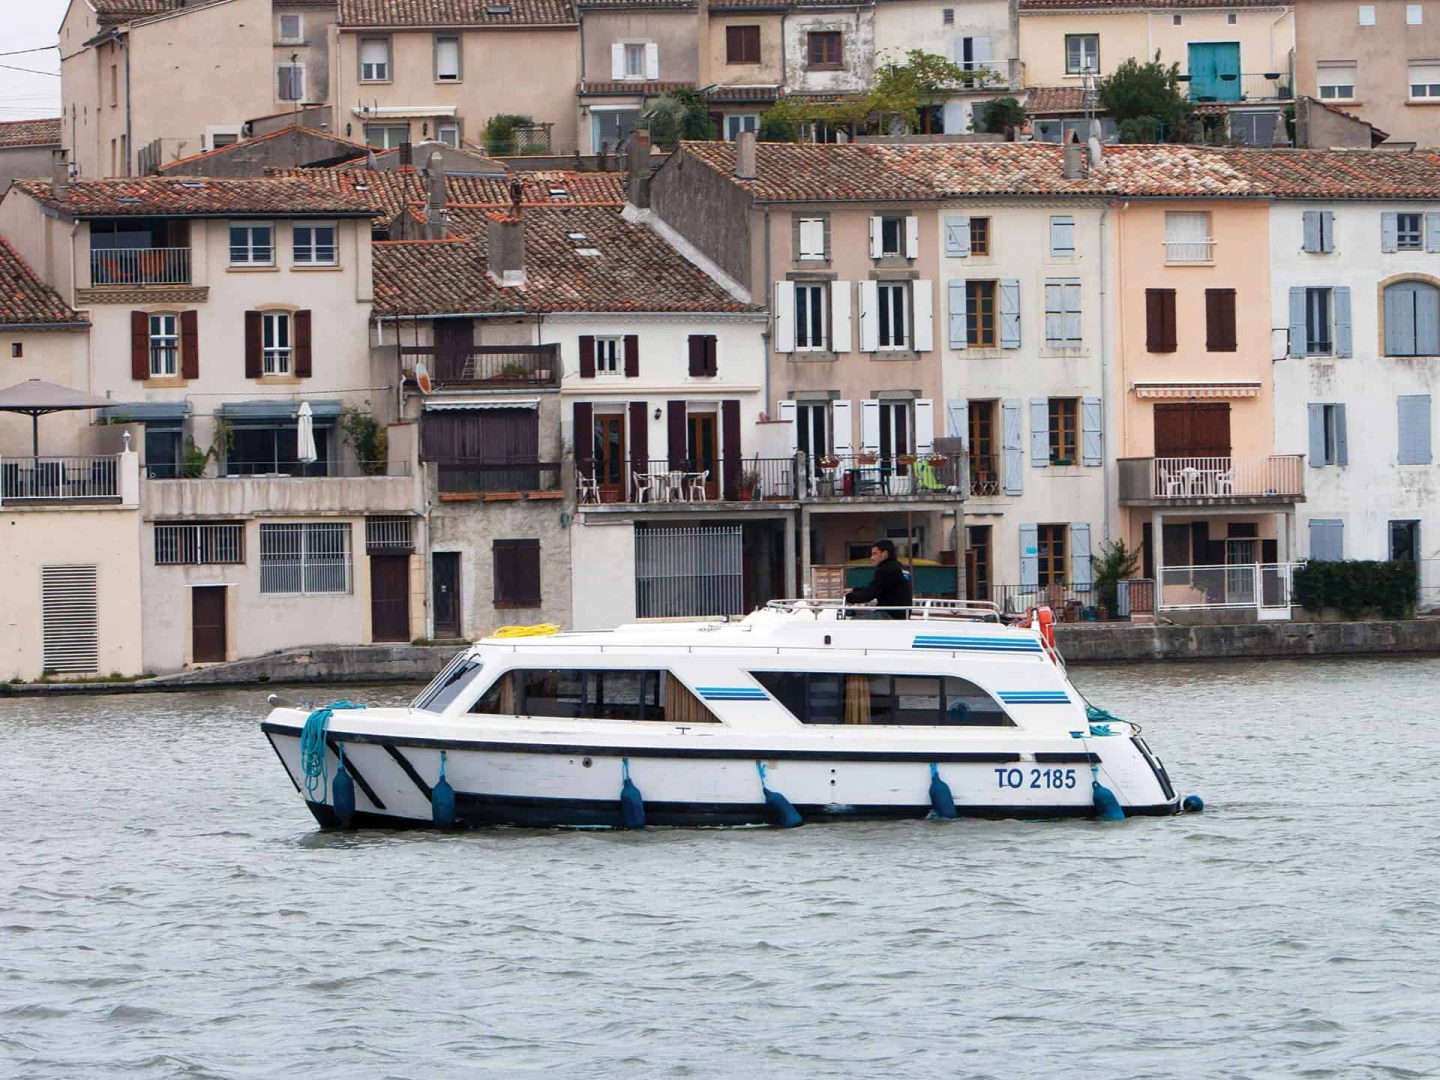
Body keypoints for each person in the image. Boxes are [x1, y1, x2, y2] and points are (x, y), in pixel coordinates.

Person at [844, 539, 913, 619]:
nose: (871, 558)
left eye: (875, 554)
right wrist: (854, 590)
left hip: (890, 614)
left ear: (884, 554)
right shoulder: (900, 567)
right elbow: (876, 588)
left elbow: (870, 594)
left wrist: (849, 597)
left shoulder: (885, 569)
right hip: (902, 614)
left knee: (853, 622)